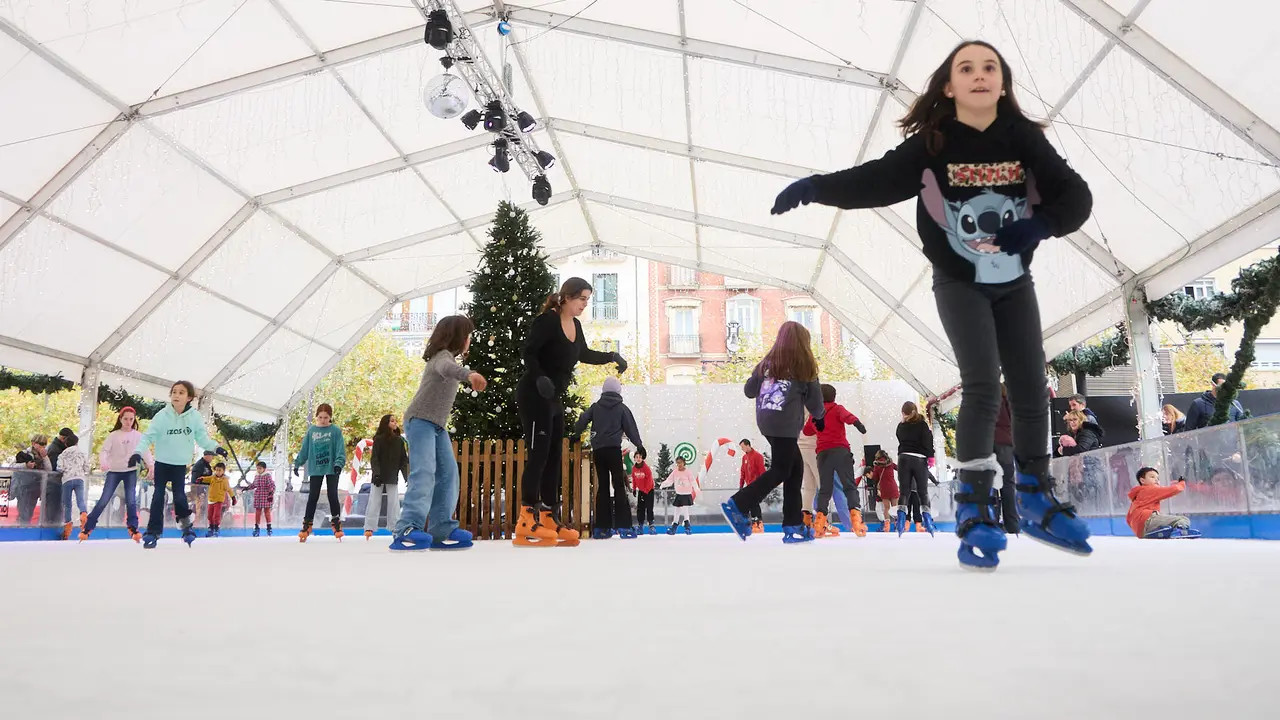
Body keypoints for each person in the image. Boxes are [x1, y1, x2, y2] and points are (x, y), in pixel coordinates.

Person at [770, 40, 1094, 569]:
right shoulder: (935, 142)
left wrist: (1043, 223)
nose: (980, 75)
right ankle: (973, 508)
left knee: (1033, 386)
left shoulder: (1024, 139)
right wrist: (816, 187)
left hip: (1015, 282)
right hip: (959, 280)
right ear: (949, 85)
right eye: (966, 68)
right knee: (984, 385)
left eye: (990, 67)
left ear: (1003, 82)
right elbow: (875, 180)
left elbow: (1074, 195)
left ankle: (1035, 494)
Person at [514, 277, 626, 548]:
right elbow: (528, 353)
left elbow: (583, 353)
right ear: (567, 297)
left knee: (554, 455)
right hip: (534, 393)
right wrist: (538, 376)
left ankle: (550, 517)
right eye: (582, 299)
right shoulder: (547, 322)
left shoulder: (574, 325)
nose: (585, 305)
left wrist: (612, 356)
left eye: (587, 300)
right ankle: (526, 518)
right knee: (539, 453)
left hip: (553, 398)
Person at [720, 321, 825, 544]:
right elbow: (816, 406)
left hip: (766, 422)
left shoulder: (767, 363)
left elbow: (749, 391)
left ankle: (792, 523)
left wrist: (761, 376)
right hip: (785, 425)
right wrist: (819, 416)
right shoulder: (805, 367)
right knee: (780, 470)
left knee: (794, 469)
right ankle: (738, 504)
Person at [392, 315, 487, 551]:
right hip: (420, 421)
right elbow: (448, 368)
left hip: (437, 426)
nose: (470, 340)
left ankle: (441, 528)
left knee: (448, 474)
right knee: (424, 473)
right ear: (458, 337)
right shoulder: (441, 357)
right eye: (468, 335)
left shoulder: (448, 357)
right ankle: (406, 527)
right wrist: (469, 375)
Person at [132, 380, 225, 549]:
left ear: (189, 397)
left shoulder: (194, 417)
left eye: (181, 392)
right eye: (174, 392)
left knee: (180, 496)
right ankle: (153, 531)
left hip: (180, 464)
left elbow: (202, 438)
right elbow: (148, 436)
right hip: (162, 462)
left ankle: (186, 527)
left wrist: (216, 448)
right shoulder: (162, 415)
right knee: (158, 496)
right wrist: (137, 453)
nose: (176, 395)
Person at [576, 376, 645, 540]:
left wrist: (576, 434)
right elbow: (630, 428)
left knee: (603, 487)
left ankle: (602, 527)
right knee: (619, 486)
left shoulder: (595, 407)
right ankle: (624, 526)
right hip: (614, 450)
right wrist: (639, 445)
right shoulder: (621, 408)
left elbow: (583, 419)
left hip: (599, 451)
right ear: (618, 390)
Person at [802, 384, 868, 537]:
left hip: (823, 454)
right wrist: (858, 424)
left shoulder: (815, 414)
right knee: (849, 486)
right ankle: (856, 520)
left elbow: (807, 430)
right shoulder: (838, 409)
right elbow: (849, 417)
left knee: (825, 489)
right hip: (841, 452)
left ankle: (819, 523)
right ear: (834, 396)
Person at [83, 407, 151, 542]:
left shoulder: (137, 436)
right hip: (114, 471)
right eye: (125, 419)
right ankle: (88, 526)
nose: (128, 421)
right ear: (120, 419)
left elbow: (145, 451)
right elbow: (104, 451)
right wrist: (104, 463)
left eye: (131, 419)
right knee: (104, 499)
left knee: (131, 500)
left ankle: (133, 527)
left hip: (130, 471)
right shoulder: (114, 435)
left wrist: (151, 465)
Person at [293, 403, 347, 542]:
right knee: (313, 496)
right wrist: (297, 463)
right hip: (316, 467)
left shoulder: (335, 431)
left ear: (330, 417)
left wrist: (338, 464)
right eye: (320, 417)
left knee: (332, 495)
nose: (323, 420)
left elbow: (340, 449)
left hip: (332, 467)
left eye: (326, 417)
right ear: (317, 417)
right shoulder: (312, 431)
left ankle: (336, 523)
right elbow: (305, 449)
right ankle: (306, 524)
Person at [893, 402, 936, 537]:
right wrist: (930, 455)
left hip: (903, 458)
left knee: (904, 492)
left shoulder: (901, 426)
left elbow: (900, 438)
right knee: (922, 492)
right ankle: (927, 521)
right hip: (919, 459)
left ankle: (900, 521)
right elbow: (928, 439)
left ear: (903, 412)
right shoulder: (922, 425)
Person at [364, 414, 409, 540]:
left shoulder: (399, 441)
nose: (395, 423)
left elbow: (403, 461)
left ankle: (394, 527)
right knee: (374, 500)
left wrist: (406, 477)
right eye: (392, 421)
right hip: (379, 476)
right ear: (386, 423)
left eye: (395, 421)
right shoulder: (378, 439)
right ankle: (369, 527)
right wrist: (377, 474)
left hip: (392, 475)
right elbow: (375, 459)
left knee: (394, 502)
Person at [1127, 468, 1198, 539]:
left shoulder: (1137, 496)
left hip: (1140, 530)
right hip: (1148, 519)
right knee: (1182, 519)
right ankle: (1181, 530)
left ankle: (1158, 532)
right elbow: (1173, 489)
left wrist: (1137, 526)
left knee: (1165, 524)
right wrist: (1182, 483)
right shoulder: (1149, 489)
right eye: (1152, 477)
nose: (1156, 479)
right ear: (1142, 480)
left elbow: (1128, 518)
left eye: (1158, 478)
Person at [993, 387, 1019, 534]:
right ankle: (1012, 524)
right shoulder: (1007, 398)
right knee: (1008, 484)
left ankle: (992, 521)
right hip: (1005, 444)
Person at [57, 432, 89, 541]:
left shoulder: (63, 454)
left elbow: (60, 468)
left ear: (66, 444)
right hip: (79, 478)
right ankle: (83, 514)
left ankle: (67, 529)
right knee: (80, 500)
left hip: (67, 479)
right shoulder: (81, 453)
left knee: (67, 504)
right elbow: (87, 468)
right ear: (76, 442)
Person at [660, 456, 698, 535]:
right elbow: (669, 480)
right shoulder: (675, 472)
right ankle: (674, 526)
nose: (679, 464)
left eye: (680, 462)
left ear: (684, 462)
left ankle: (687, 525)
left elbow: (693, 481)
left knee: (685, 509)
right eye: (678, 463)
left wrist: (696, 489)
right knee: (677, 511)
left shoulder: (688, 472)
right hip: (679, 494)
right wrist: (663, 484)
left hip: (686, 494)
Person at [738, 439, 766, 533]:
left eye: (742, 447)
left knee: (754, 504)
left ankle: (758, 523)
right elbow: (743, 472)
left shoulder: (758, 456)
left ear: (748, 445)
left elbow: (762, 471)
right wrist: (741, 485)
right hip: (749, 485)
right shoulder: (744, 458)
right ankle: (754, 522)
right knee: (750, 504)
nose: (742, 449)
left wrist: (762, 484)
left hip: (757, 484)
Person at [867, 450, 899, 532]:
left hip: (884, 488)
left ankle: (887, 527)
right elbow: (899, 468)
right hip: (893, 486)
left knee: (886, 508)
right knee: (895, 507)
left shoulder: (877, 466)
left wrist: (871, 475)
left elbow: (875, 477)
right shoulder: (891, 464)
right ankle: (897, 525)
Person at [243, 461, 275, 537]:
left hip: (266, 496)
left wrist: (271, 493)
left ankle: (269, 527)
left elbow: (272, 485)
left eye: (260, 468)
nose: (258, 470)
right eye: (257, 468)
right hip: (258, 496)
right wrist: (247, 488)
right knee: (258, 511)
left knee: (267, 511)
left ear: (264, 469)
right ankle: (257, 526)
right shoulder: (257, 476)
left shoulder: (267, 476)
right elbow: (254, 484)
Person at [205, 463, 236, 537]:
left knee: (216, 515)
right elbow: (206, 479)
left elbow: (229, 489)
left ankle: (216, 527)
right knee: (209, 515)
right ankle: (211, 527)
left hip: (219, 500)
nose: (218, 472)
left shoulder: (224, 480)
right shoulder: (212, 478)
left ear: (223, 471)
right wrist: (200, 479)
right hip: (211, 499)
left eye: (219, 470)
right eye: (216, 470)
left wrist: (233, 497)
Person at [630, 448, 656, 535]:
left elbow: (649, 479)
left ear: (642, 458)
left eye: (640, 457)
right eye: (636, 457)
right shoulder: (634, 468)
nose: (638, 459)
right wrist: (634, 488)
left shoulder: (646, 468)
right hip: (641, 491)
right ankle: (640, 525)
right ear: (634, 458)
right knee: (640, 509)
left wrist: (646, 490)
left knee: (649, 508)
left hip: (649, 491)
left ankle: (651, 525)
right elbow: (634, 479)